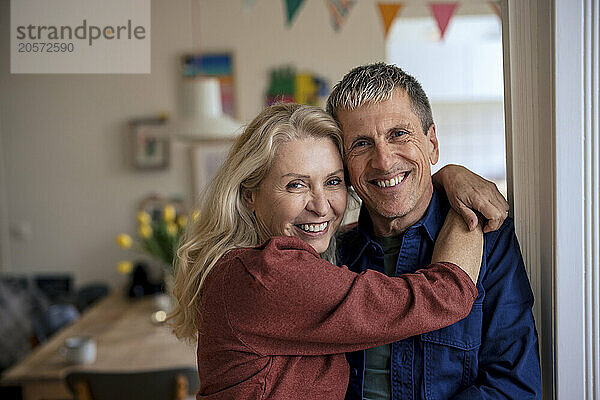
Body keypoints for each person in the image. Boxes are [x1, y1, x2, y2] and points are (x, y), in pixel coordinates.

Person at [169, 103, 507, 399]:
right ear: (249, 196)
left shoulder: (257, 265)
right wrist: (463, 205)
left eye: (332, 182)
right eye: (296, 185)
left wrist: (440, 176)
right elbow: (443, 296)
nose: (321, 207)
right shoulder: (263, 275)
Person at [326, 63, 542, 399]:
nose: (383, 161)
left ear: (432, 145)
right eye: (362, 144)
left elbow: (515, 387)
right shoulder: (332, 256)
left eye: (399, 134)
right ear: (343, 166)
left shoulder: (488, 240)